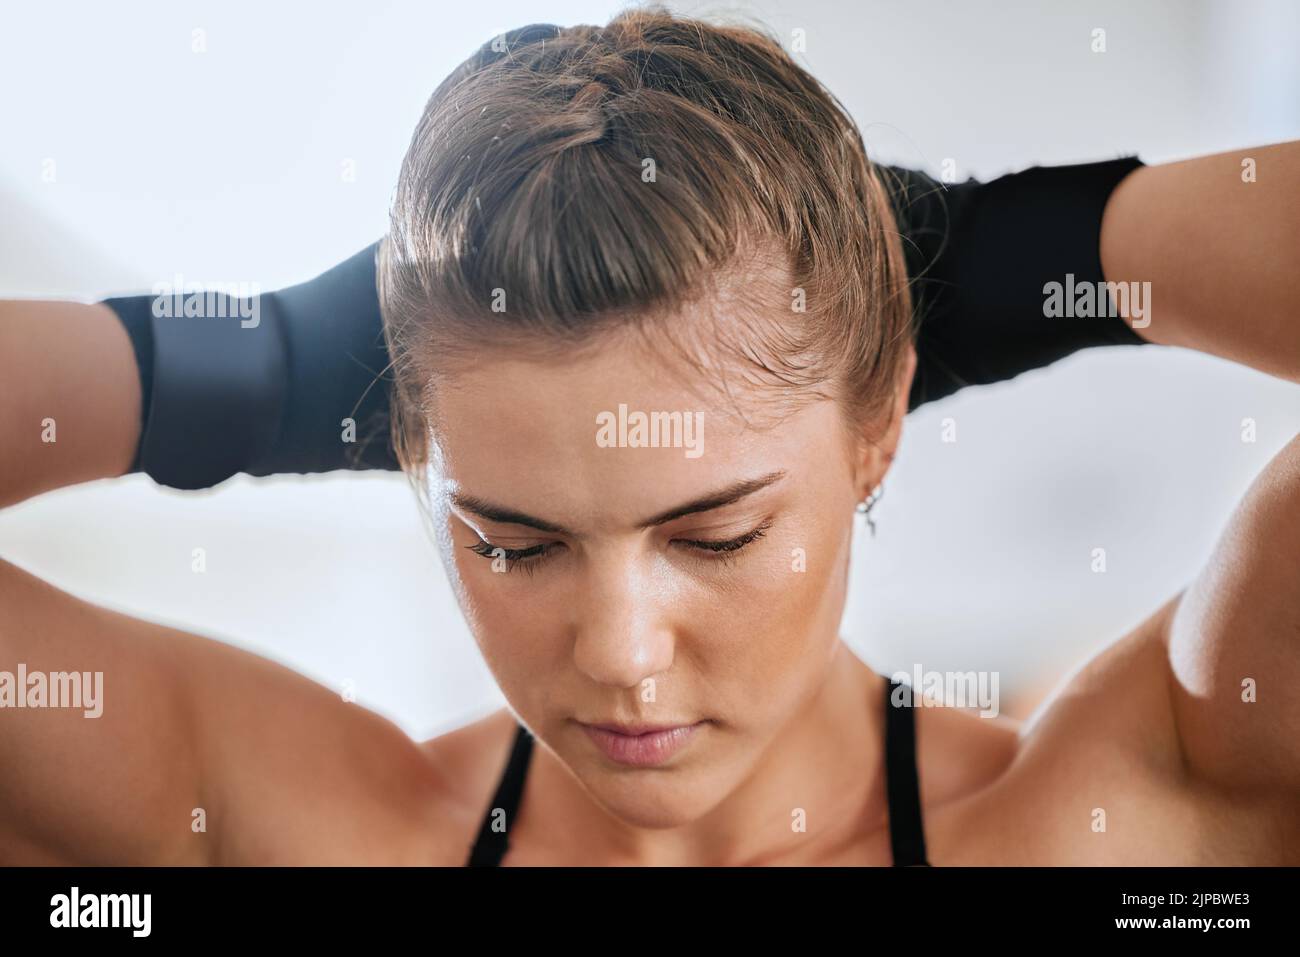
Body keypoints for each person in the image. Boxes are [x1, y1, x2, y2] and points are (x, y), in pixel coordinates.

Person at [1, 9, 1297, 866]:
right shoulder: (314, 835)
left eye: (714, 531)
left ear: (880, 421)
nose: (620, 654)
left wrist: (1011, 250)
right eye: (511, 539)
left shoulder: (1116, 827)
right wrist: (266, 362)